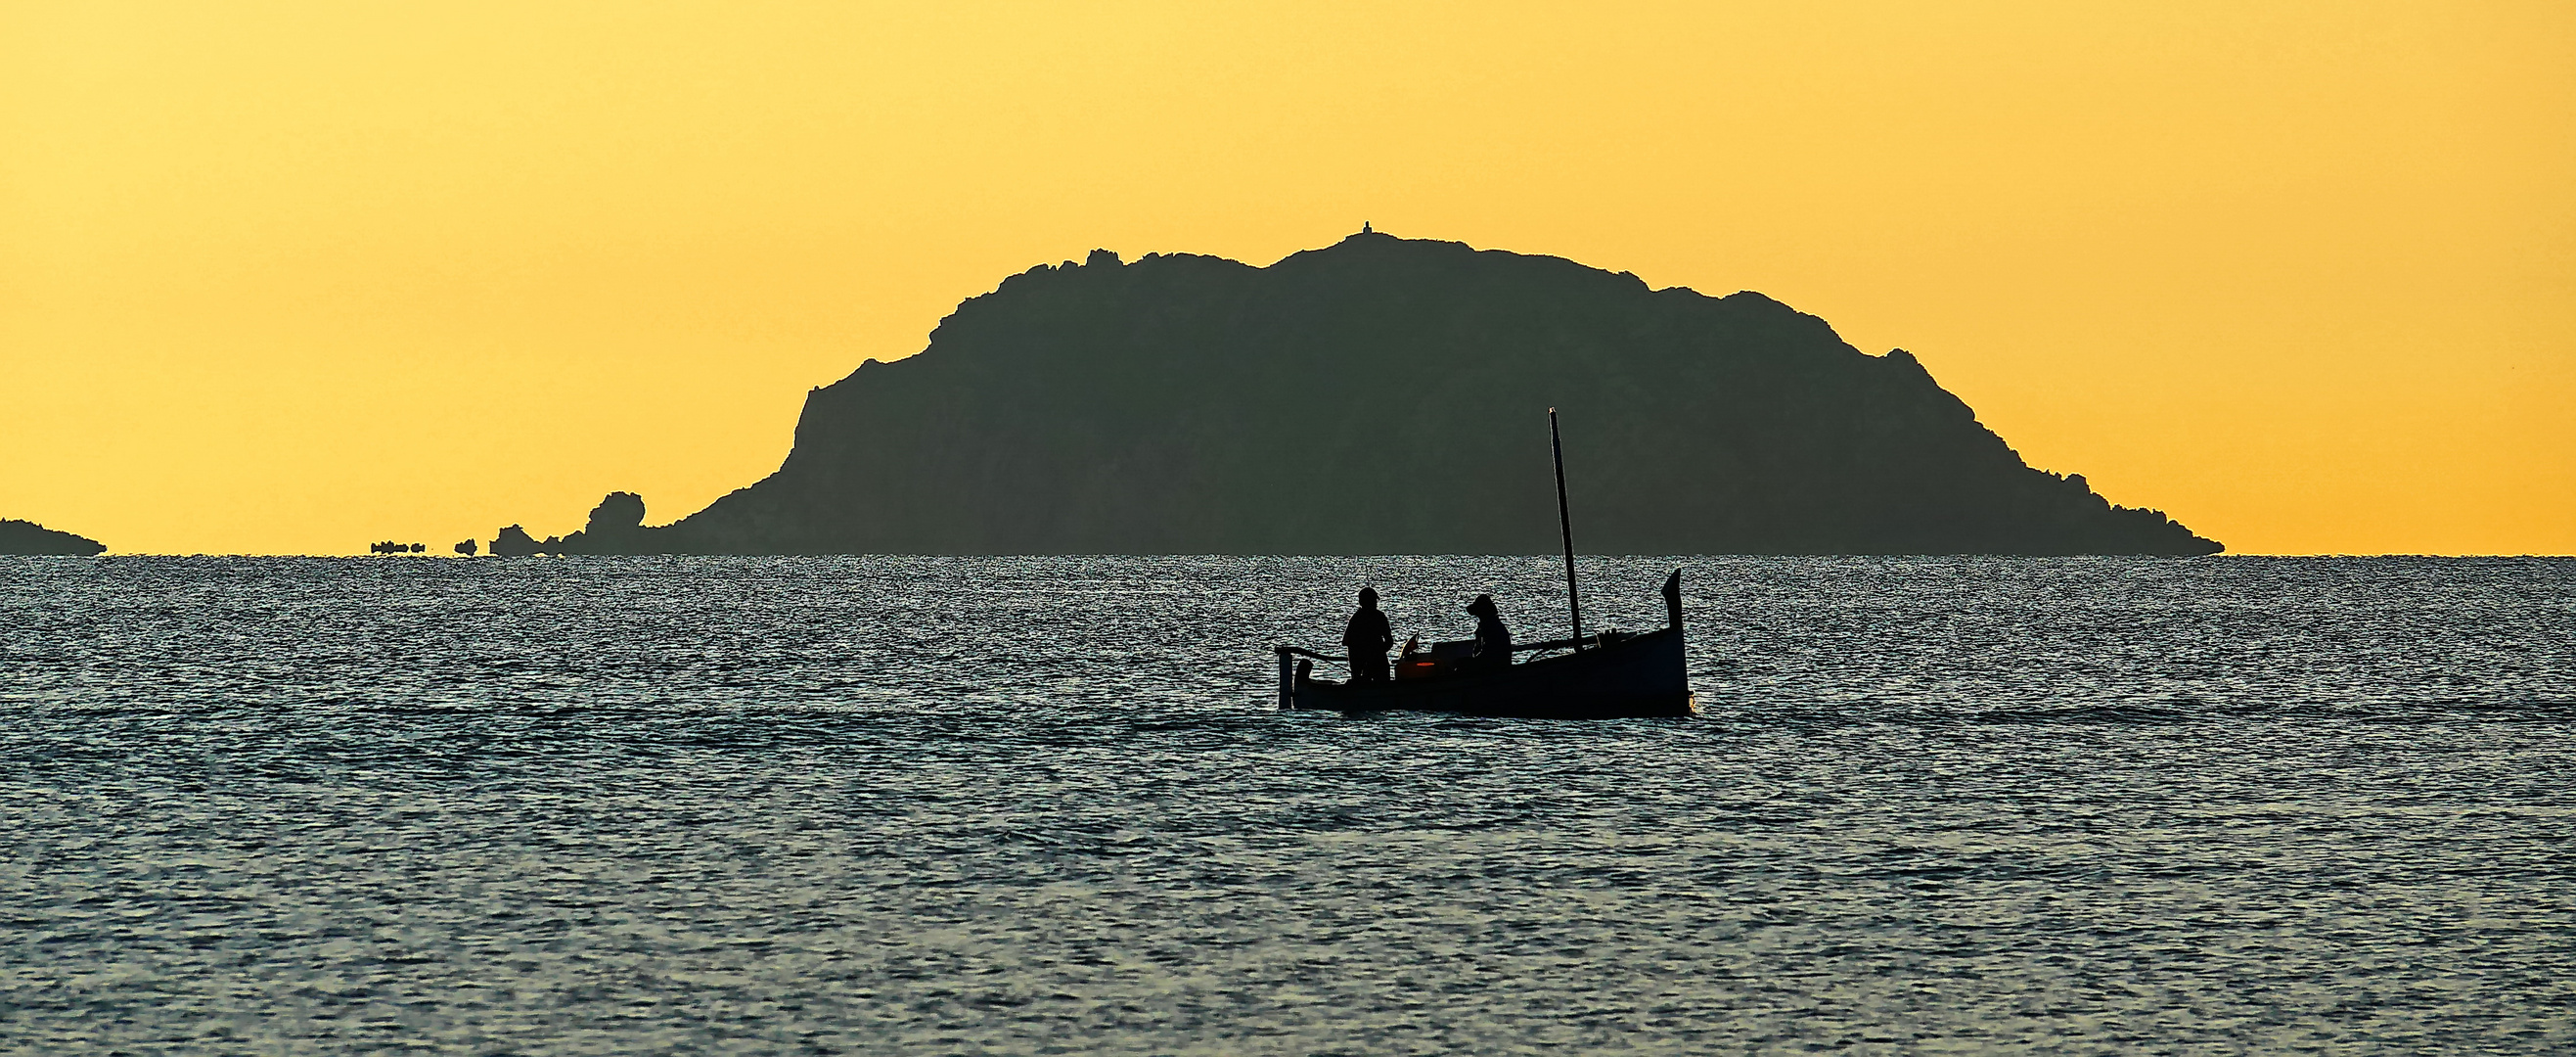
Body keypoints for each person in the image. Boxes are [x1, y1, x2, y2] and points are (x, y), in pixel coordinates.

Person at [1342, 587, 1394, 682]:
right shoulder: (1359, 619)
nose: (1375, 603)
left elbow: (1389, 641)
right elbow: (1347, 642)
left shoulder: (1358, 618)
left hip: (1377, 661)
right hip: (1363, 663)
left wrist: (1377, 654)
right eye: (1373, 600)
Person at [1467, 593, 1513, 669]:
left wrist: (1473, 662)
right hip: (1495, 664)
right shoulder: (1491, 625)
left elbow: (1489, 653)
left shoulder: (1491, 627)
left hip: (1496, 667)